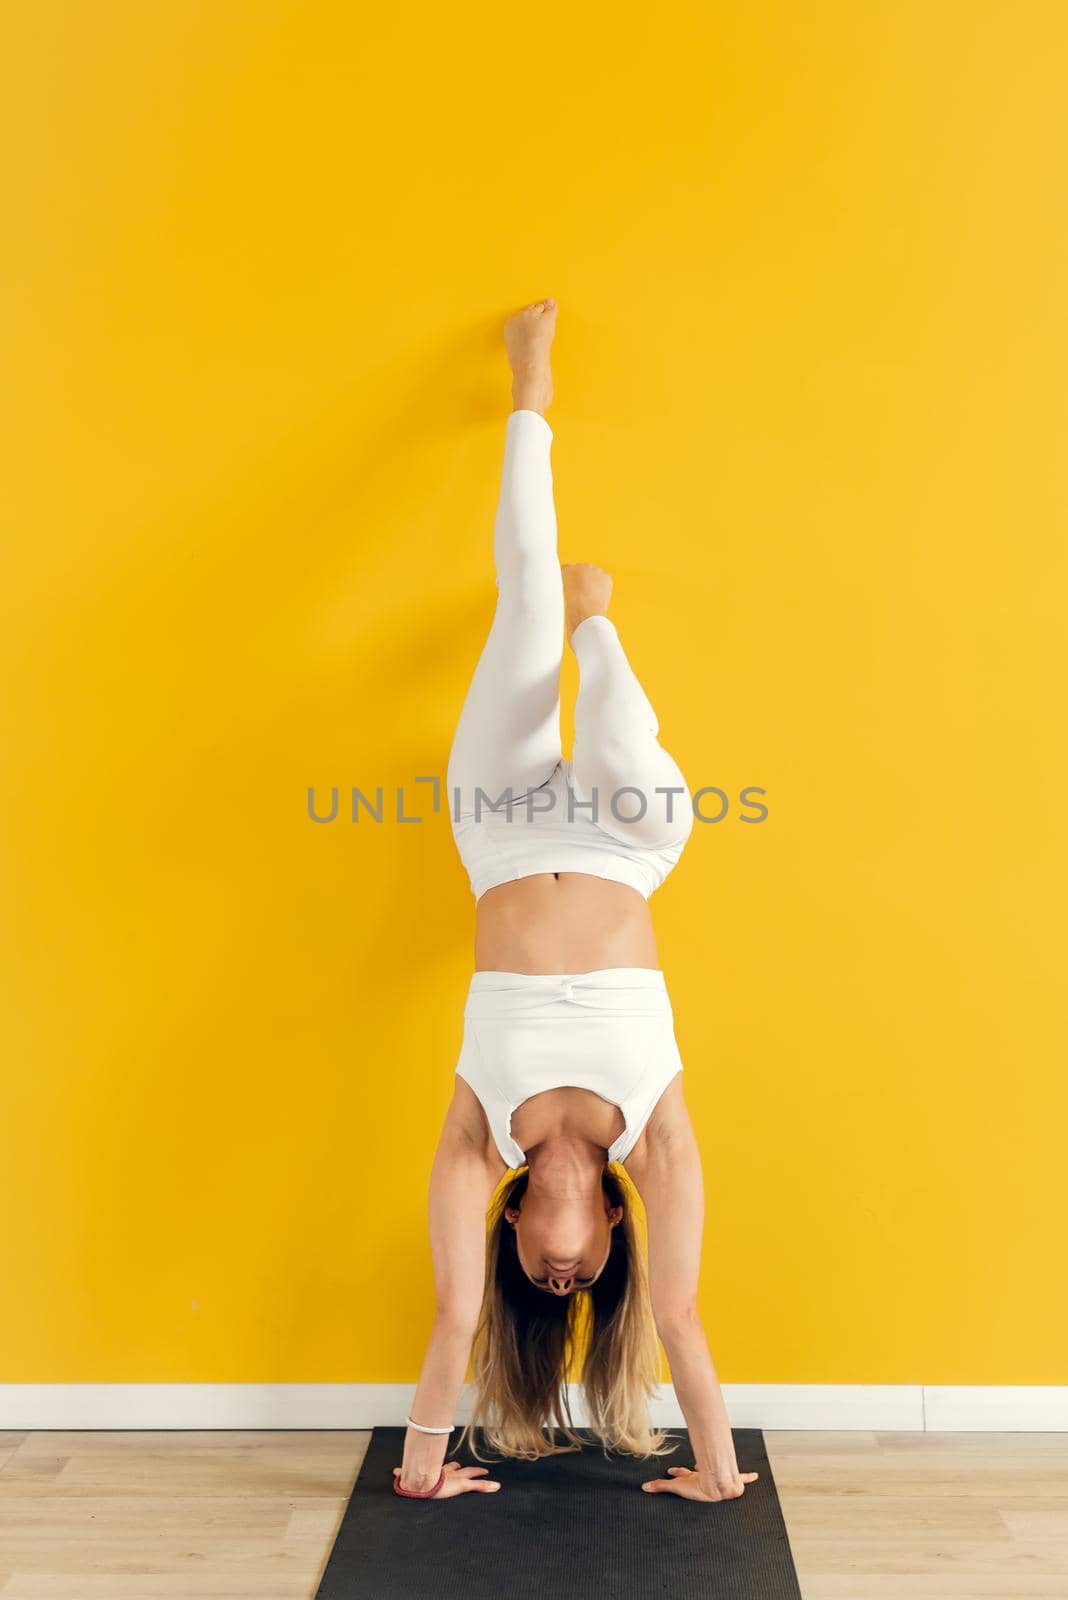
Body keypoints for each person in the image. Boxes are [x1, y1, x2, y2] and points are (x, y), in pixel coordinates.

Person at [392, 299, 758, 1505]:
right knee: (608, 716)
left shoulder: (474, 1143)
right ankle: (601, 631)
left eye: (545, 1287)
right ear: (607, 1238)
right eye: (586, 1282)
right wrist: (715, 1474)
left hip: (495, 834)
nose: (567, 1283)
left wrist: (422, 1473)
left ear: (516, 1239)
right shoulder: (652, 1140)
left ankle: (530, 395)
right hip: (626, 838)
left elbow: (453, 1325)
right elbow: (686, 1316)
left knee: (524, 608)